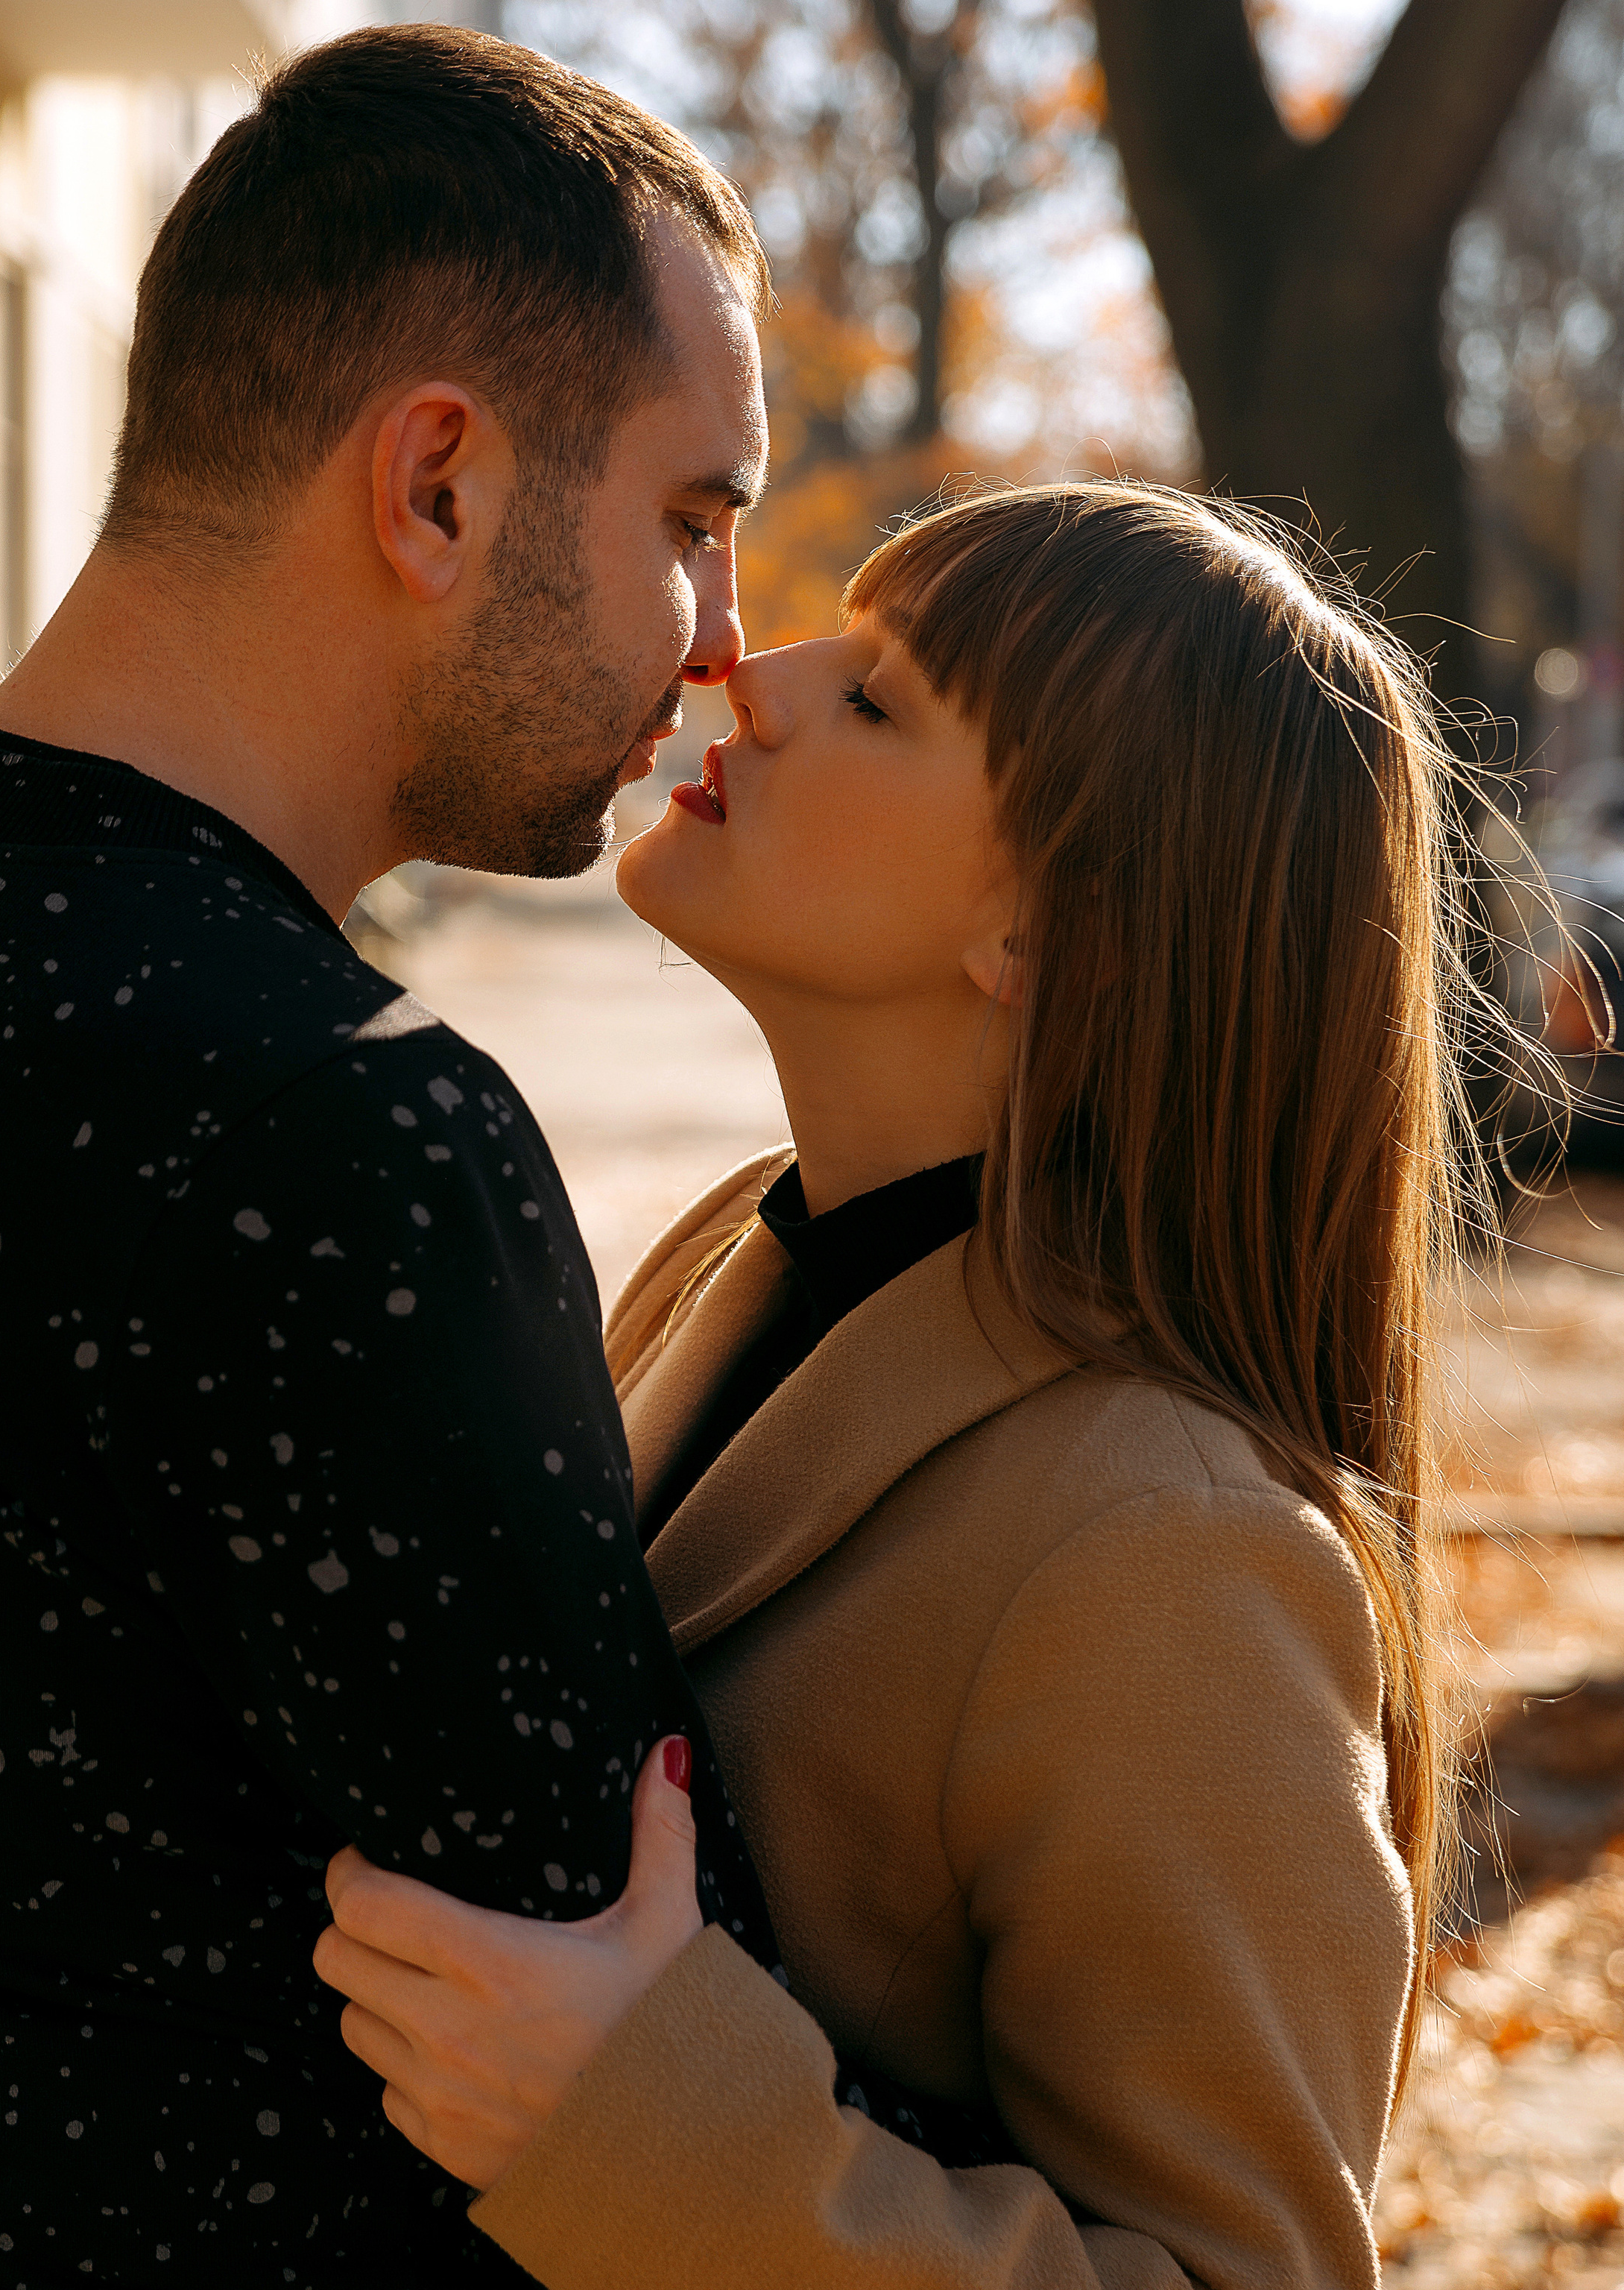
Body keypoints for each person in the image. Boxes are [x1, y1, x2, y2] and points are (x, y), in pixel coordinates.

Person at [0, 24, 844, 2286]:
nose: (724, 650)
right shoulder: (341, 1127)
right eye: (690, 526)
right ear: (438, 482)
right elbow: (626, 2010)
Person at [311, 482, 1493, 2289]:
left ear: (1042, 935)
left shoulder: (1165, 1543)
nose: (746, 675)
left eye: (876, 697)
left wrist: (647, 2127)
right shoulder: (745, 1253)